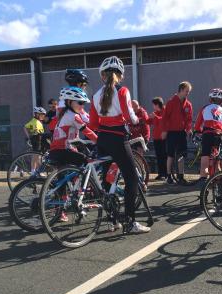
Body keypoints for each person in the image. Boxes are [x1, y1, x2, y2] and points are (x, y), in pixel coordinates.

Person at [89, 55, 150, 234]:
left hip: (102, 141)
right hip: (117, 139)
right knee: (131, 179)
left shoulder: (95, 95)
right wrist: (140, 120)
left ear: (102, 75)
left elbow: (93, 124)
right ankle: (130, 222)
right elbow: (130, 116)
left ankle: (112, 221)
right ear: (121, 75)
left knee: (108, 180)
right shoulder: (122, 91)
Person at [49, 87, 98, 223]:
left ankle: (60, 211)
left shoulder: (63, 114)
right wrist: (101, 141)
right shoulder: (73, 116)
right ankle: (79, 192)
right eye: (80, 103)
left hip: (56, 151)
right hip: (63, 150)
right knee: (85, 161)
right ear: (70, 102)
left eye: (84, 103)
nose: (82, 106)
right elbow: (87, 131)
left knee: (62, 181)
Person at [162, 81, 193, 185]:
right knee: (170, 155)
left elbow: (189, 119)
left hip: (181, 133)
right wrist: (164, 131)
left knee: (181, 155)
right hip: (171, 132)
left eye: (188, 92)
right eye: (186, 91)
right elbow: (165, 118)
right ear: (180, 90)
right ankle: (169, 176)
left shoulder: (188, 104)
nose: (187, 93)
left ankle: (181, 176)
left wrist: (188, 129)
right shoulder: (171, 102)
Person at [193, 88, 222, 183]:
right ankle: (220, 181)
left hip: (208, 134)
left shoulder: (205, 108)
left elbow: (198, 124)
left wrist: (197, 131)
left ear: (210, 99)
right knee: (217, 159)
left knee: (205, 156)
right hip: (219, 135)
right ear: (221, 101)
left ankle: (203, 178)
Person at [147, 97, 167, 180]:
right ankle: (160, 173)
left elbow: (164, 121)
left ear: (157, 104)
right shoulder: (155, 113)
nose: (153, 107)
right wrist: (148, 117)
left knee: (164, 155)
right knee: (158, 156)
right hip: (156, 138)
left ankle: (166, 173)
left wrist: (155, 117)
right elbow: (148, 122)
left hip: (163, 137)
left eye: (153, 105)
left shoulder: (165, 111)